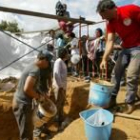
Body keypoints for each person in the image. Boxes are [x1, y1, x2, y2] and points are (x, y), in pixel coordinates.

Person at [97, 0, 140, 114]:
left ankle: (129, 102)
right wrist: (104, 58)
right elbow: (110, 41)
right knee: (116, 72)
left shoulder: (130, 9)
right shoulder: (110, 23)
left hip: (138, 47)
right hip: (125, 48)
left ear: (108, 10)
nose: (102, 18)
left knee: (131, 75)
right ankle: (112, 99)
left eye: (103, 15)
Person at [12, 50, 53, 140]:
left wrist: (42, 94)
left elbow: (32, 86)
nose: (48, 65)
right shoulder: (35, 70)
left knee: (26, 131)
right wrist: (39, 97)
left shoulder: (31, 66)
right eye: (48, 62)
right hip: (23, 104)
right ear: (44, 60)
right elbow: (27, 89)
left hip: (19, 101)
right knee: (26, 135)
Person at [53, 48, 68, 130]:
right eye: (67, 53)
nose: (68, 54)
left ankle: (61, 119)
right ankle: (57, 122)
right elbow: (56, 75)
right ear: (63, 54)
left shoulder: (62, 61)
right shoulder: (58, 61)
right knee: (58, 104)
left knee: (61, 103)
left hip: (62, 87)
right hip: (59, 87)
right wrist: (60, 87)